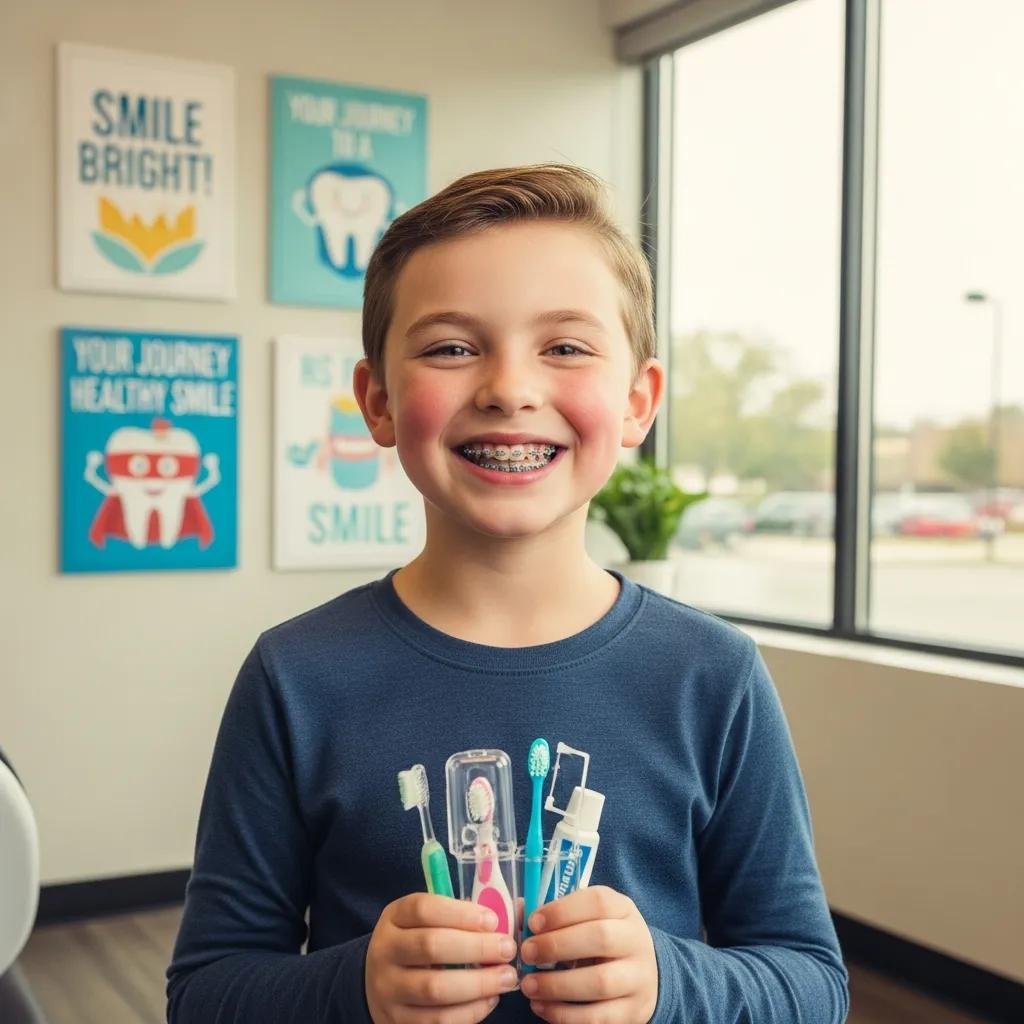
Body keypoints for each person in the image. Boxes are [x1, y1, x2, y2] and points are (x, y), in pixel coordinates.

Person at [167, 163, 849, 1024]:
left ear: (638, 402)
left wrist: (670, 983)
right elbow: (205, 995)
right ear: (377, 401)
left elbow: (813, 985)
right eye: (452, 347)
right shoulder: (294, 676)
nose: (509, 388)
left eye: (564, 346)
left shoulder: (714, 676)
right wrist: (358, 988)